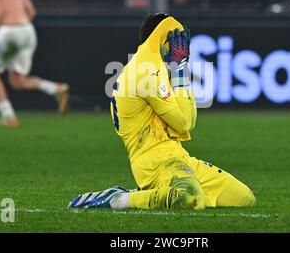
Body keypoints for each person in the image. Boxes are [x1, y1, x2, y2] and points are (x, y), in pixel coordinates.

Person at [68, 13, 255, 210]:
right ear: (161, 36)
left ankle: (146, 193)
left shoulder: (152, 66)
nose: (178, 46)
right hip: (154, 162)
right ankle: (118, 200)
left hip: (177, 157)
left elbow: (187, 120)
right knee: (191, 199)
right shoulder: (146, 72)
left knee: (243, 197)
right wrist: (180, 71)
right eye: (173, 37)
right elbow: (185, 123)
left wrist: (178, 70)